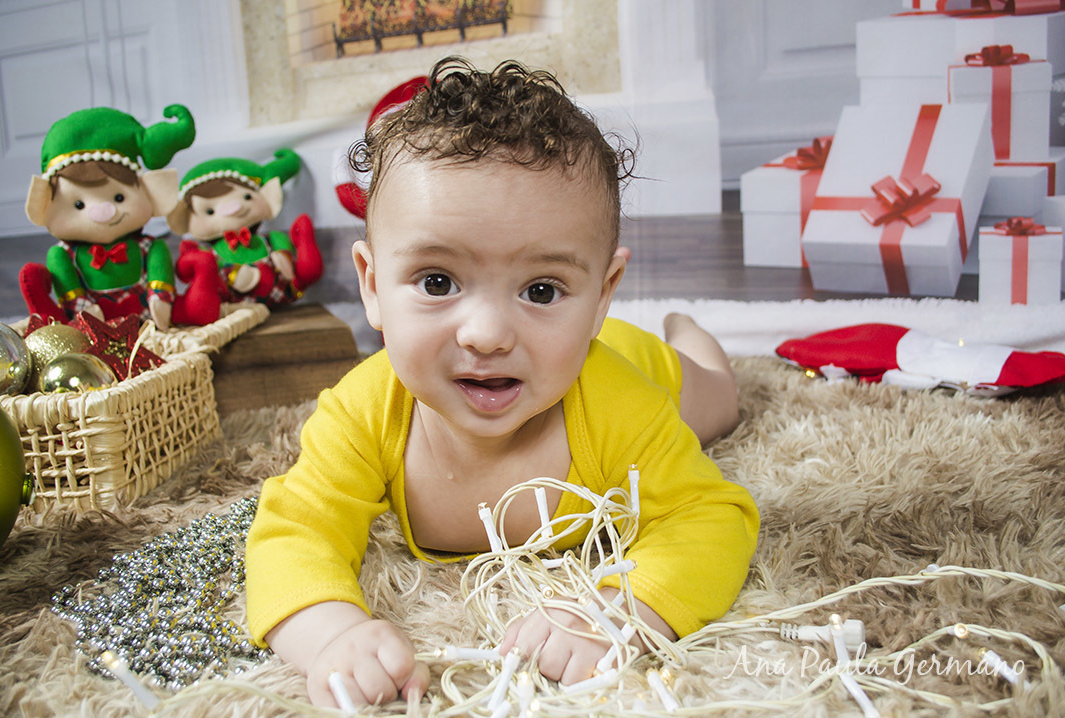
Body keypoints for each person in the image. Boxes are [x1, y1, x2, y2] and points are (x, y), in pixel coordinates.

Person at [244, 56, 759, 709]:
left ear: (601, 296)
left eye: (542, 290)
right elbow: (295, 529)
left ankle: (689, 333)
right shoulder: (364, 411)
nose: (485, 334)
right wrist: (329, 633)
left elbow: (711, 515)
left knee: (719, 399)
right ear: (373, 287)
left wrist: (620, 610)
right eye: (438, 282)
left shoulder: (623, 402)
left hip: (636, 362)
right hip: (563, 355)